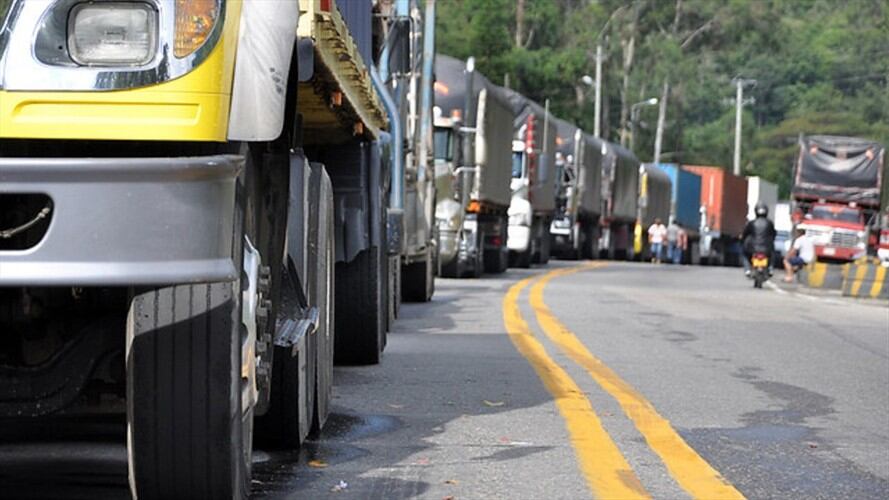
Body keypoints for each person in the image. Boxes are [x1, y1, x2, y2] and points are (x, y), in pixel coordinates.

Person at [742, 202, 776, 277]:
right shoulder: (769, 223)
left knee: (744, 254)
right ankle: (770, 268)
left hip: (752, 248)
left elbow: (745, 233)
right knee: (773, 255)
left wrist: (743, 241)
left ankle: (747, 269)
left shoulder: (752, 223)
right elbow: (773, 234)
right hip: (767, 248)